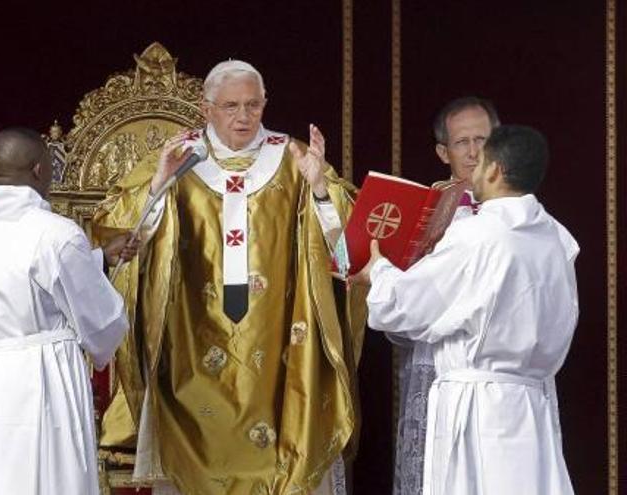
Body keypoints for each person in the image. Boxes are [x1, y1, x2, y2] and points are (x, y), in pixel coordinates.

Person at [92, 60, 366, 494]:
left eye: (253, 105)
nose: (243, 117)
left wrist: (318, 189)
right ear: (206, 109)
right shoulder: (176, 158)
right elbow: (116, 238)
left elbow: (351, 246)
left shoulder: (293, 157)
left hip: (279, 340)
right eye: (231, 106)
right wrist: (157, 187)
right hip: (191, 337)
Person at [354, 125, 577, 494]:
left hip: (479, 408)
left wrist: (377, 269)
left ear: (495, 170)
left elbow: (411, 303)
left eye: (482, 160)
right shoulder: (556, 236)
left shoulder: (480, 234)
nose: (474, 168)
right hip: (532, 404)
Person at [0, 127, 132, 495]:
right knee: (47, 473)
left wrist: (98, 259)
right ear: (38, 170)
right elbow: (98, 318)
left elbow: (17, 278)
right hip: (42, 373)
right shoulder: (57, 232)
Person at [391, 97, 500, 495]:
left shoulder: (519, 209)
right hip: (439, 361)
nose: (473, 152)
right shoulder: (427, 213)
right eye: (461, 142)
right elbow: (402, 301)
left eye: (482, 140)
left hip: (498, 369)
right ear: (443, 151)